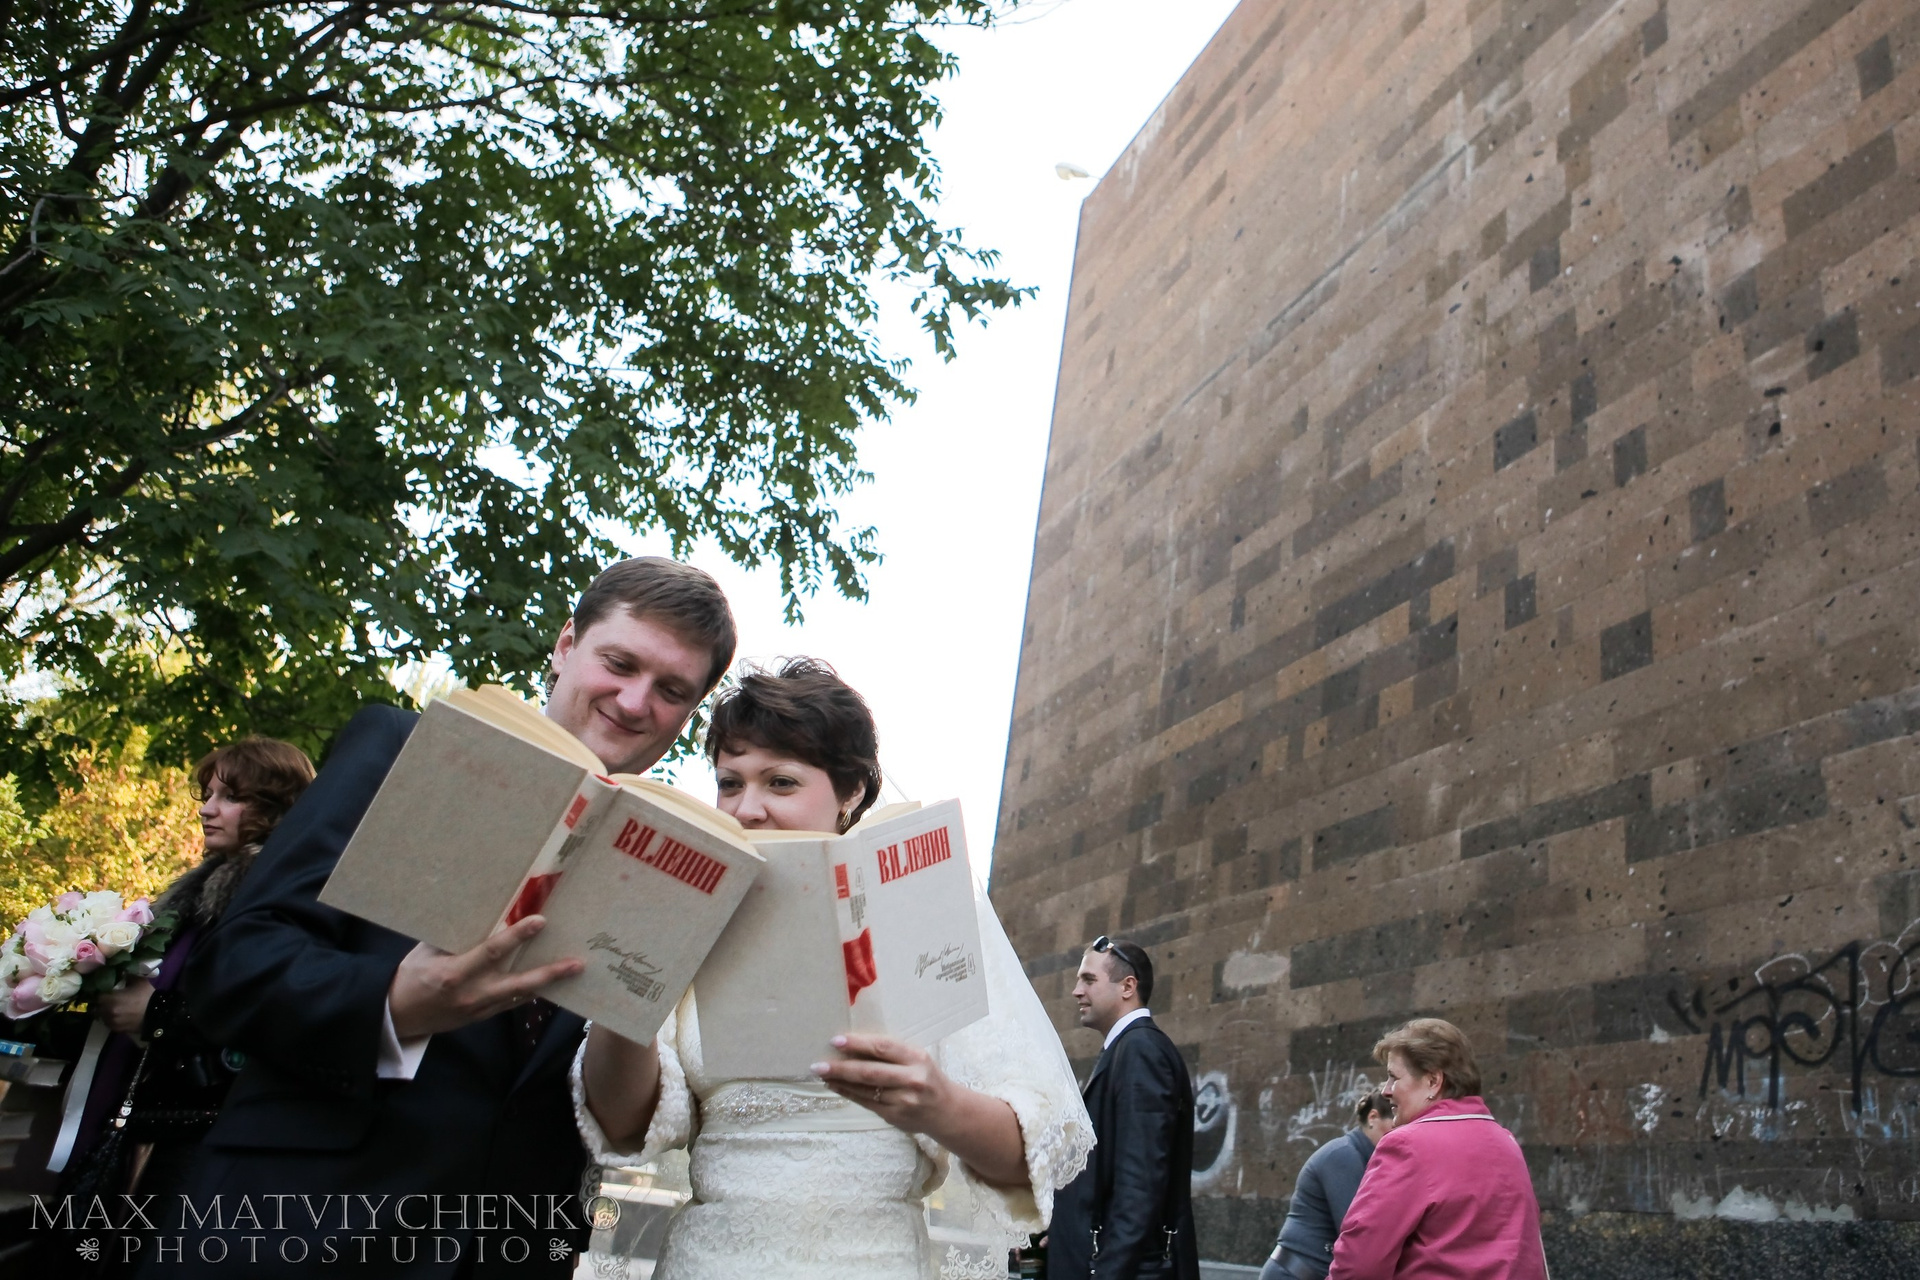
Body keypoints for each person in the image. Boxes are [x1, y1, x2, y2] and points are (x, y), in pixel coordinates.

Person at [149, 557, 737, 1278]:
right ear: (565, 646)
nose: (636, 701)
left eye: (672, 691)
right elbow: (234, 964)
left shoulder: (660, 862)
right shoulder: (399, 748)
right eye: (619, 663)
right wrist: (394, 1003)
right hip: (296, 1230)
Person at [575, 657, 1093, 1280]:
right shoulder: (692, 910)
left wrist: (936, 1104)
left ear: (850, 792)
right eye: (730, 783)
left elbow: (1028, 1155)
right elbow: (622, 1124)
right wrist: (630, 982)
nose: (748, 809)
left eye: (781, 783)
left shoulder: (926, 905)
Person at [1327, 1019, 1547, 1280]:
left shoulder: (1407, 1145)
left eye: (1394, 1078)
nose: (1385, 1091)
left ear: (1433, 1080)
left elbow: (1359, 1265)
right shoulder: (1505, 1141)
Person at [1047, 936, 1201, 1280]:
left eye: (1089, 980)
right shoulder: (1128, 1048)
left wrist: (1108, 1272)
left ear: (1128, 987)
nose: (1076, 991)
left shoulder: (1141, 1050)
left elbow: (1140, 1185)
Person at [1260, 1091, 1393, 1280]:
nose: (1401, 1134)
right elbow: (1358, 1233)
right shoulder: (1344, 1155)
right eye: (1396, 1126)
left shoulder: (1362, 1158)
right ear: (1373, 1118)